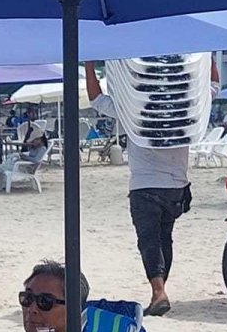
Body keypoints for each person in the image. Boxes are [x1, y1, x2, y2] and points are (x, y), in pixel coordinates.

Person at [86, 57, 219, 317]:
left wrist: (90, 65)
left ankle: (158, 292)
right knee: (164, 238)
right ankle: (160, 290)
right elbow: (213, 86)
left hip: (144, 185)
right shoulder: (187, 108)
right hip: (176, 187)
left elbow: (96, 99)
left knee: (149, 241)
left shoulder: (134, 108)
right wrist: (210, 58)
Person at [0, 125, 49, 190]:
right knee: (2, 164)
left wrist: (25, 157)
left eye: (34, 141)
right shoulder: (35, 148)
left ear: (39, 140)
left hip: (24, 168)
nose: (33, 143)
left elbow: (36, 160)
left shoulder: (42, 149)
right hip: (22, 166)